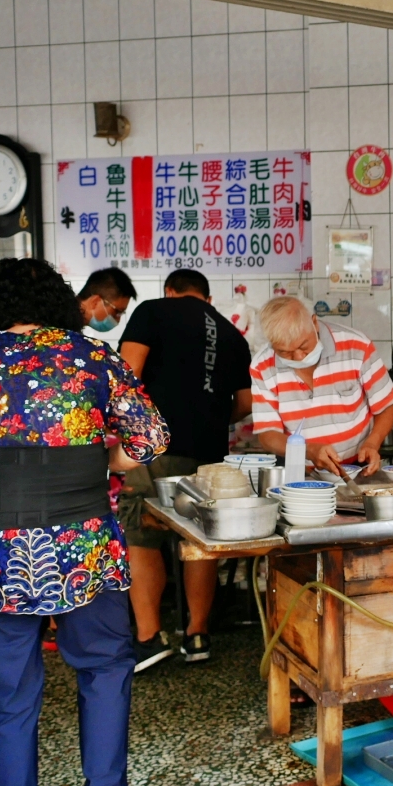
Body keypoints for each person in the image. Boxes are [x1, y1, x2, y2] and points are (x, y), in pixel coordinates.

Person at [0, 258, 168, 786]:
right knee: (105, 668)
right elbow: (149, 438)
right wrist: (107, 460)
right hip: (83, 545)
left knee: (6, 692)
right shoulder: (88, 355)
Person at [116, 270, 253, 670]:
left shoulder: (153, 311)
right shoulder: (232, 334)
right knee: (199, 539)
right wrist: (207, 421)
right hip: (210, 453)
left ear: (170, 291)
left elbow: (127, 375)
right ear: (207, 298)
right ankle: (197, 635)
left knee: (142, 534)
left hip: (156, 448)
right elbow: (244, 405)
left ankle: (147, 638)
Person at [251, 296, 393, 477]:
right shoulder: (262, 366)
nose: (298, 357)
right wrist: (307, 450)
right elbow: (267, 434)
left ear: (314, 323)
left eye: (304, 346)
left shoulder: (356, 346)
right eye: (285, 352)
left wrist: (372, 444)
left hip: (358, 469)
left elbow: (388, 404)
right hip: (301, 473)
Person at [77, 267, 138, 334]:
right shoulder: (65, 326)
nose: (118, 320)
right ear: (95, 302)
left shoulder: (72, 327)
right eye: (117, 312)